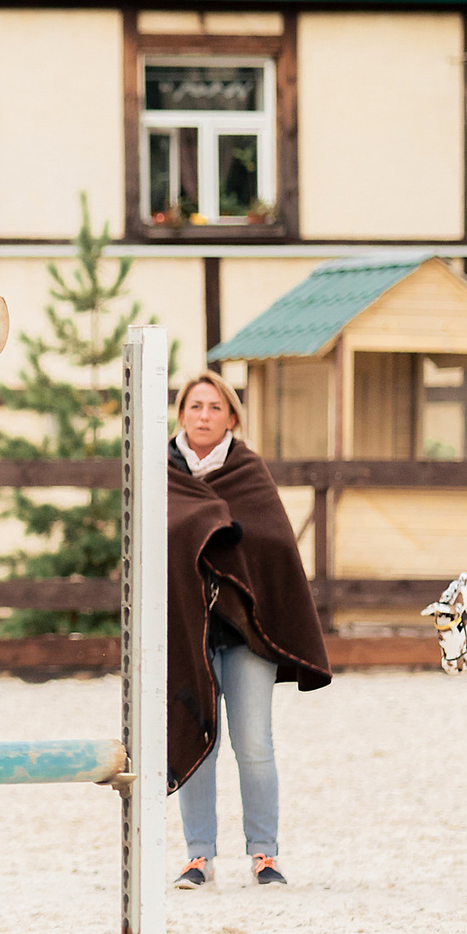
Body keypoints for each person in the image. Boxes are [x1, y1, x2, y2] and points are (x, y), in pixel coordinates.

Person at [166, 370, 328, 889]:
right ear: (181, 414)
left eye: (215, 407)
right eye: (195, 406)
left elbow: (275, 544)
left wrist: (225, 534)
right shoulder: (161, 472)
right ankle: (198, 856)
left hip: (245, 632)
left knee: (253, 743)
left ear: (232, 417)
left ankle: (264, 853)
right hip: (188, 630)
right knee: (198, 740)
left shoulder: (248, 472)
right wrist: (209, 524)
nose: (204, 416)